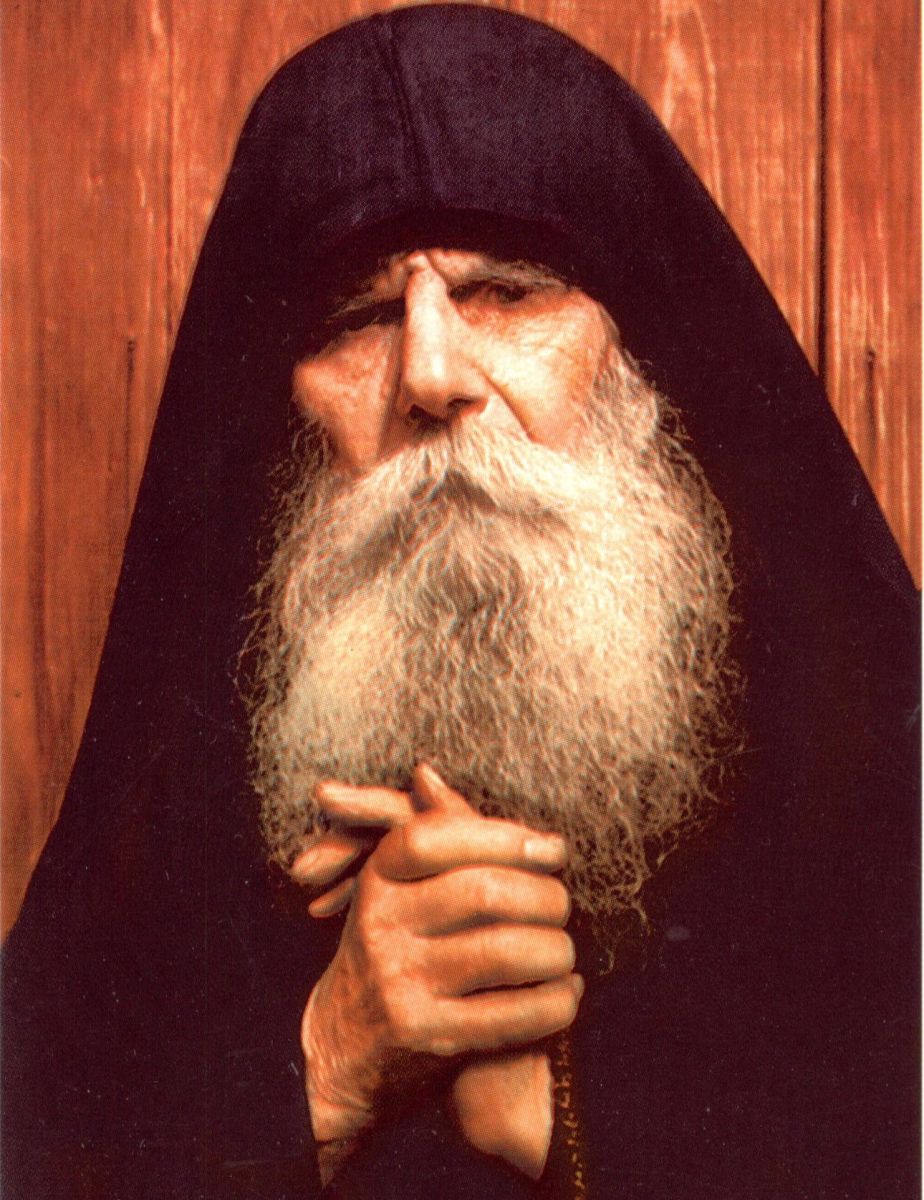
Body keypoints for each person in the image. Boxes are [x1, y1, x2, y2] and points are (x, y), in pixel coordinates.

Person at [3, 8, 918, 1199]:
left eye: (507, 293)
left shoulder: (877, 772)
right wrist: (332, 1060)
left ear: (640, 355)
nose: (430, 376)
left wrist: (558, 1117)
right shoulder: (167, 835)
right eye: (358, 318)